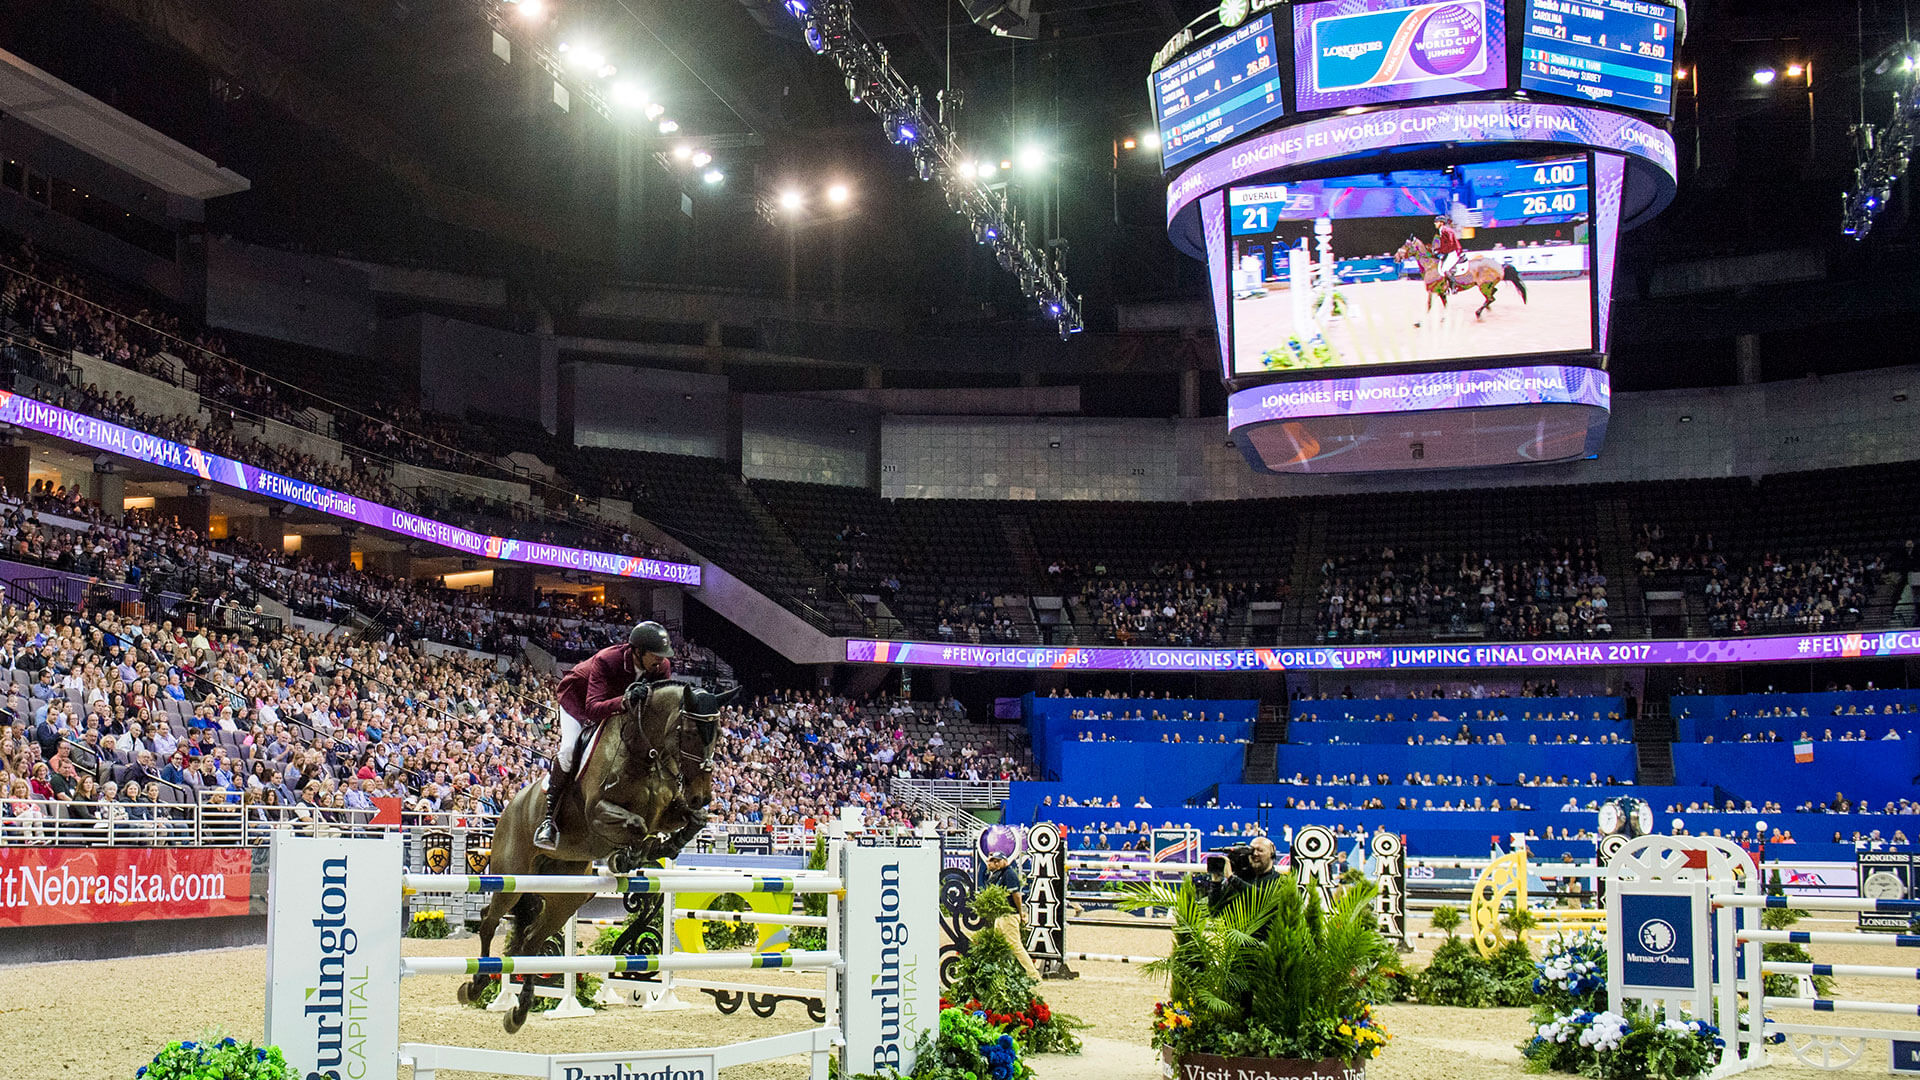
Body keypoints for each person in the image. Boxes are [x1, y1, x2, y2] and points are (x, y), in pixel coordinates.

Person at [534, 620, 675, 851]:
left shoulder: (661, 667)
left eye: (663, 655)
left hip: (618, 710)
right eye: (656, 654)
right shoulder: (607, 660)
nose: (661, 659)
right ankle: (549, 820)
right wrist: (625, 700)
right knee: (569, 750)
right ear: (638, 651)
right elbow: (593, 708)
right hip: (578, 701)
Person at [1433, 214, 1463, 284]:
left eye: (1436, 222)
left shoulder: (1446, 230)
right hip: (1450, 250)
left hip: (1453, 251)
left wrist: (1441, 251)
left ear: (1441, 223)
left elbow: (1451, 243)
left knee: (1445, 269)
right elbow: (1445, 244)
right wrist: (1438, 250)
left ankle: (1454, 286)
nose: (1435, 223)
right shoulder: (1442, 230)